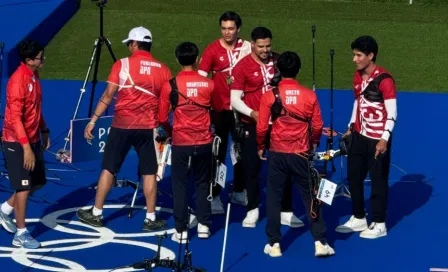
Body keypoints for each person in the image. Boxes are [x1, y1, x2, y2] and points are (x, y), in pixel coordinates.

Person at [77, 26, 171, 231]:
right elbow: (167, 101)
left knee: (109, 167)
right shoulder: (163, 69)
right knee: (149, 172)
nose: (128, 46)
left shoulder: (122, 64)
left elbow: (108, 95)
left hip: (122, 125)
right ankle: (150, 217)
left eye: (129, 43)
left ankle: (96, 213)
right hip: (148, 128)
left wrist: (93, 120)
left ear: (136, 44)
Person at [256, 51, 335, 257]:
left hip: (277, 154)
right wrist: (315, 142)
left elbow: (262, 127)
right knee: (311, 197)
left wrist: (260, 145)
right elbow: (317, 124)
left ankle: (274, 244)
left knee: (274, 197)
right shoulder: (309, 95)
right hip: (301, 153)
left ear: (279, 70)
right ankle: (320, 241)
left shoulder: (269, 95)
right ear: (298, 70)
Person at [230, 27, 301, 228]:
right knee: (251, 168)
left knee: (285, 167)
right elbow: (234, 100)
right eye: (261, 46)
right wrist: (253, 113)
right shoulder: (242, 67)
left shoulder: (279, 62)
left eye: (268, 46)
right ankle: (252, 209)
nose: (265, 50)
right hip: (251, 125)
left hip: (279, 125)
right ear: (252, 44)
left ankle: (286, 211)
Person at [335, 36, 397, 239]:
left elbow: (392, 113)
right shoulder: (357, 76)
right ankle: (359, 217)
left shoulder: (385, 81)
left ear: (371, 56)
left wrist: (384, 139)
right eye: (354, 55)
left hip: (377, 139)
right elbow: (358, 103)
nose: (354, 59)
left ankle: (379, 223)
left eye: (358, 55)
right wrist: (351, 127)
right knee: (354, 177)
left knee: (378, 181)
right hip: (359, 136)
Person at [159, 42, 214, 242]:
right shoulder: (209, 84)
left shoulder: (170, 85)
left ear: (177, 60)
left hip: (181, 142)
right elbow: (215, 108)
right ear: (197, 59)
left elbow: (162, 117)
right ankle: (204, 226)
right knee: (202, 183)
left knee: (180, 185)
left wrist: (170, 131)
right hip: (204, 141)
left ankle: (181, 230)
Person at [198, 11, 250, 214]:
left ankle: (239, 189)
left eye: (231, 28)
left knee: (241, 153)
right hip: (219, 110)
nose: (227, 32)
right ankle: (215, 194)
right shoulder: (212, 50)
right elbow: (201, 79)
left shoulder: (248, 48)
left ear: (238, 29)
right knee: (217, 154)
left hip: (242, 109)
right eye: (224, 28)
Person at [0, 39, 50, 249]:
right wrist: (27, 148)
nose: (43, 59)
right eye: (39, 57)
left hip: (34, 138)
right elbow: (14, 119)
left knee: (37, 183)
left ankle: (5, 209)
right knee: (23, 187)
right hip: (16, 143)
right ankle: (20, 233)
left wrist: (44, 130)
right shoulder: (18, 81)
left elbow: (35, 109)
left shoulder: (33, 75)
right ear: (28, 60)